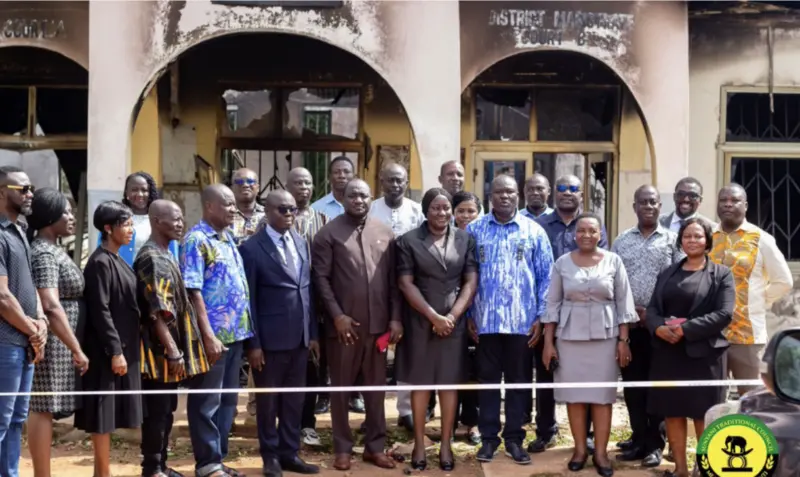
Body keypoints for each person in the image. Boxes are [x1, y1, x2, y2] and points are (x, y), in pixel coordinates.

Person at [312, 179, 402, 471]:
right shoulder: (328, 233)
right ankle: (342, 448)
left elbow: (392, 282)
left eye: (363, 195)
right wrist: (337, 315)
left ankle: (375, 447)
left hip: (377, 328)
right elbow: (321, 280)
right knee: (340, 389)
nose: (358, 200)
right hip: (343, 330)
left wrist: (394, 318)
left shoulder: (385, 232)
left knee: (376, 391)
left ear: (371, 197)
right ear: (343, 198)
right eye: (352, 195)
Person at [541, 213, 638, 477]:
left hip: (606, 340)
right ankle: (580, 450)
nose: (586, 235)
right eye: (581, 230)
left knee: (602, 398)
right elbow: (553, 304)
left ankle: (601, 454)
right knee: (574, 397)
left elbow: (623, 305)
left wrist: (623, 341)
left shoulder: (614, 261)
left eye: (592, 231)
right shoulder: (562, 263)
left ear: (600, 234)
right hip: (569, 339)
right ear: (575, 234)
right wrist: (548, 343)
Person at [468, 175, 553, 465]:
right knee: (488, 383)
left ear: (518, 196)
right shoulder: (473, 230)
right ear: (490, 196)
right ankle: (489, 438)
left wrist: (540, 317)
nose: (504, 196)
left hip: (522, 323)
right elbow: (465, 277)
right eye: (499, 192)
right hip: (485, 323)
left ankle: (515, 439)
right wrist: (469, 314)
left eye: (510, 192)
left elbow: (546, 278)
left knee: (519, 383)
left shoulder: (534, 231)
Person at [395, 188, 478, 471]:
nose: (441, 213)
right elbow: (406, 283)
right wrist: (433, 317)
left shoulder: (465, 239)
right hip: (420, 322)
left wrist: (452, 316)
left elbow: (470, 281)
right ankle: (419, 443)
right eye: (435, 208)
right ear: (425, 210)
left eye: (445, 208)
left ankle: (445, 444)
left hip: (452, 325)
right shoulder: (407, 241)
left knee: (448, 383)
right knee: (421, 383)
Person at [646, 218, 735, 477]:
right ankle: (681, 470)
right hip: (668, 353)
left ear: (707, 240)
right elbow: (652, 309)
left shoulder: (721, 274)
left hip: (704, 355)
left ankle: (705, 469)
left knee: (703, 414)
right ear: (680, 240)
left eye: (697, 236)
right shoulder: (668, 273)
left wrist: (685, 330)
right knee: (673, 412)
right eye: (687, 236)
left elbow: (725, 313)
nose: (692, 241)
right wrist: (659, 327)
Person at [241, 190, 320, 477]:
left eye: (293, 210)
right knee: (268, 402)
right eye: (282, 210)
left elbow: (306, 290)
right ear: (267, 212)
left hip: (299, 340)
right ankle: (270, 457)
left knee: (294, 400)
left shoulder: (300, 242)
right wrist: (254, 344)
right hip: (269, 343)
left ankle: (290, 453)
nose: (289, 214)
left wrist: (311, 333)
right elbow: (248, 301)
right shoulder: (251, 248)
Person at [181, 184, 254, 477]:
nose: (233, 209)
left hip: (236, 336)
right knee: (206, 402)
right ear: (209, 206)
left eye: (234, 204)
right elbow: (193, 290)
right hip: (211, 339)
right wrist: (208, 335)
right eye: (227, 204)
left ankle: (218, 459)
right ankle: (207, 464)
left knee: (228, 401)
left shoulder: (226, 240)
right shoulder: (196, 240)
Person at [533, 174, 608, 454]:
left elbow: (603, 266)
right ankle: (546, 429)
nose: (567, 192)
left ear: (582, 194)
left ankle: (587, 436)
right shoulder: (540, 225)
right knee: (545, 372)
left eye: (573, 188)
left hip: (586, 316)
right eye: (562, 187)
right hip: (549, 313)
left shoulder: (591, 226)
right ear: (554, 192)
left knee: (587, 376)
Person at [135, 200, 209, 477]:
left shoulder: (165, 252)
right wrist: (173, 351)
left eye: (181, 219)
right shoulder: (153, 258)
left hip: (167, 350)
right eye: (174, 219)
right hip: (159, 354)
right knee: (157, 412)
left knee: (167, 410)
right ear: (156, 220)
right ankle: (153, 468)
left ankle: (161, 465)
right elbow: (156, 312)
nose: (180, 223)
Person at [610, 186, 679, 468]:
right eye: (643, 202)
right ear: (635, 206)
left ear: (660, 206)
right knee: (633, 386)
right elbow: (614, 279)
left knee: (656, 388)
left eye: (653, 202)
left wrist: (651, 313)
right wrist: (631, 313)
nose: (648, 206)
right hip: (629, 326)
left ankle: (656, 444)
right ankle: (638, 438)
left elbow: (678, 283)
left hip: (660, 327)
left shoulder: (673, 241)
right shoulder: (621, 241)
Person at [75, 200, 143, 477]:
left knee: (112, 413)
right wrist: (115, 350)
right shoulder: (100, 263)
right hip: (105, 350)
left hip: (124, 346)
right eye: (125, 225)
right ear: (107, 228)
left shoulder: (118, 259)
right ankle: (102, 472)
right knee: (102, 415)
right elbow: (100, 310)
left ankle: (101, 470)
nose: (130, 230)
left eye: (130, 224)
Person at [26, 188, 90, 477]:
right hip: (53, 340)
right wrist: (75, 347)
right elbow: (51, 304)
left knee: (47, 406)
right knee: (42, 407)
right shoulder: (42, 253)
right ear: (50, 217)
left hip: (61, 339)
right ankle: (42, 473)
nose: (72, 217)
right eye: (66, 212)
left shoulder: (54, 248)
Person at [710, 184, 792, 395]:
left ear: (745, 206)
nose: (728, 204)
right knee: (711, 400)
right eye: (723, 200)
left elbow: (783, 280)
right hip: (711, 335)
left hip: (747, 336)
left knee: (751, 399)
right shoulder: (708, 237)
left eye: (734, 200)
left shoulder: (760, 239)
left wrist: (758, 301)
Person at [368, 162, 429, 432]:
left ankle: (406, 410)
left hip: (411, 291)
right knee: (376, 352)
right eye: (390, 180)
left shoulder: (418, 212)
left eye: (400, 181)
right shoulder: (370, 209)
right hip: (377, 291)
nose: (395, 185)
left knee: (409, 353)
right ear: (381, 181)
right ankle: (374, 414)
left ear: (407, 183)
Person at [0, 166, 47, 477]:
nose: (30, 194)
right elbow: (2, 297)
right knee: (1, 420)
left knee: (16, 420)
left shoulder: (20, 230)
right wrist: (33, 330)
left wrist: (41, 321)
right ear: (3, 192)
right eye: (23, 188)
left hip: (25, 343)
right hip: (6, 344)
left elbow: (28, 283)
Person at [282, 168, 329, 448]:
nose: (304, 187)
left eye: (309, 182)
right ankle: (282, 426)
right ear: (287, 186)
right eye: (298, 182)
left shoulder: (323, 221)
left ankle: (307, 424)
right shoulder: (271, 221)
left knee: (311, 368)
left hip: (313, 308)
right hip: (282, 309)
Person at [451, 191, 482, 445]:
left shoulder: (483, 236)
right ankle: (448, 423)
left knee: (474, 371)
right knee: (450, 371)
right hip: (449, 313)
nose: (466, 216)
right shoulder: (445, 237)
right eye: (461, 210)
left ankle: (472, 424)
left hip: (476, 315)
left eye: (471, 211)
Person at [96, 172, 179, 266]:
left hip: (155, 278)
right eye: (134, 190)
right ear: (126, 192)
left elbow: (173, 258)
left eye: (144, 190)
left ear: (150, 192)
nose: (140, 194)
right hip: (122, 278)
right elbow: (102, 253)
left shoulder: (162, 221)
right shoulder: (113, 219)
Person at [230, 168, 266, 246]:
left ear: (258, 188)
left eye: (250, 181)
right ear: (232, 188)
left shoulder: (268, 216)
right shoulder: (224, 216)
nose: (245, 185)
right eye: (239, 182)